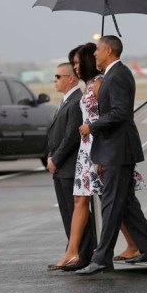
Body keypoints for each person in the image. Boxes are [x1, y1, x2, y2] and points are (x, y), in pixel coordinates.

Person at [76, 36, 147, 275]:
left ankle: (102, 257)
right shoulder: (111, 75)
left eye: (98, 51)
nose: (94, 55)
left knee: (111, 203)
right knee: (126, 205)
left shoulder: (120, 75)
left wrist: (91, 127)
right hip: (113, 148)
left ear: (110, 51)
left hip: (119, 149)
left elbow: (120, 113)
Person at [46, 60, 95, 271]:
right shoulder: (66, 100)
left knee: (75, 214)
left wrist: (56, 159)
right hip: (61, 167)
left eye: (58, 76)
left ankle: (82, 255)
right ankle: (73, 251)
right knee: (68, 214)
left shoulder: (76, 100)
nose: (54, 80)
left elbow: (71, 137)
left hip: (69, 166)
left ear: (71, 79)